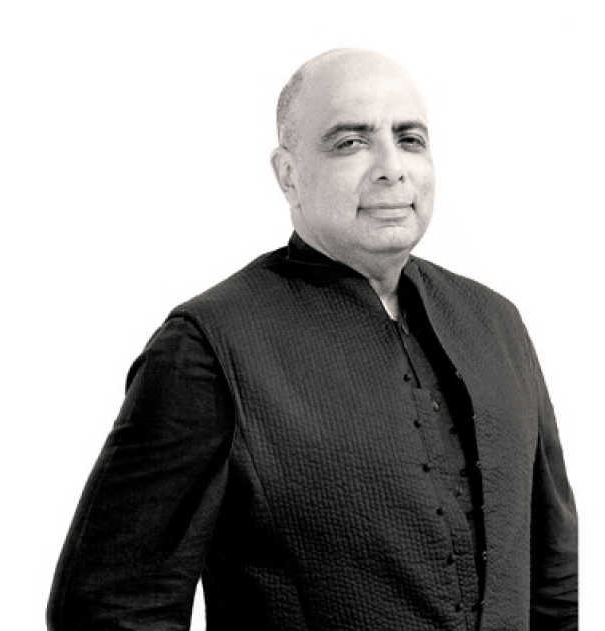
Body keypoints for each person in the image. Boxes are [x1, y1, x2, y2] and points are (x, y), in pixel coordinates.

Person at [46, 48, 578, 631]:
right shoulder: (208, 347)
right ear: (288, 174)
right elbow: (109, 607)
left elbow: (553, 582)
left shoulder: (497, 324)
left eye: (410, 140)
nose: (391, 168)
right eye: (351, 142)